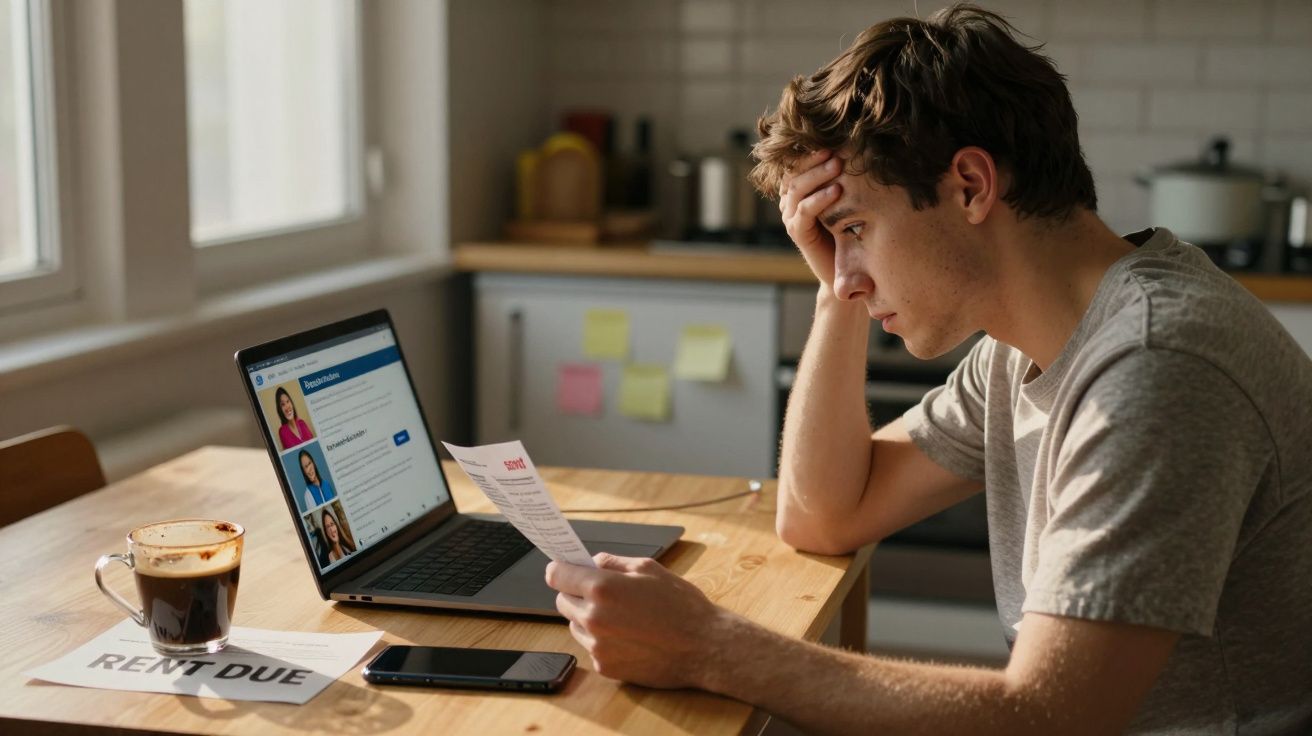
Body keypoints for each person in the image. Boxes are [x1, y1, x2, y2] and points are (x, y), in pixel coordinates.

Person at [544, 5, 1312, 734]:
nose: (844, 271)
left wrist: (707, 644)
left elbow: (1050, 720)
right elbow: (825, 514)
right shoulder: (1026, 344)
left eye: (853, 228)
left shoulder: (1156, 367)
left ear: (971, 186)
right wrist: (833, 292)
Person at [274, 386, 314, 450]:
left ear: (291, 403)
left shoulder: (302, 423)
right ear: (280, 409)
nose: (287, 406)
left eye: (288, 401)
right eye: (283, 404)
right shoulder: (282, 431)